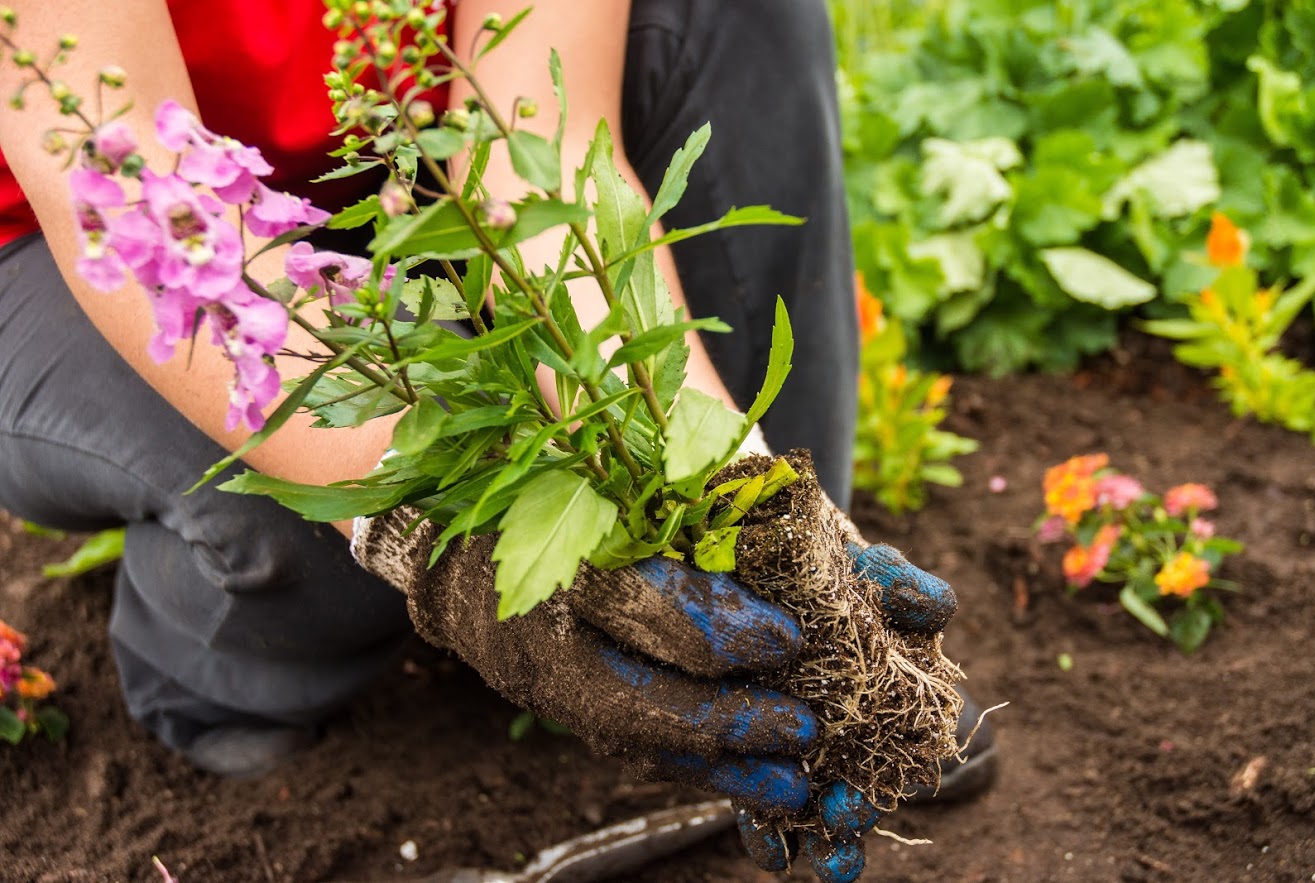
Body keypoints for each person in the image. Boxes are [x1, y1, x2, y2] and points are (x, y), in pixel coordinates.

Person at [0, 1, 994, 879]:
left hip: (378, 183)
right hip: (81, 246)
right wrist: (438, 521)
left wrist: (719, 475)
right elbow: (121, 182)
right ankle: (215, 679)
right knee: (295, 503)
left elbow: (540, 140)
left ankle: (779, 646)